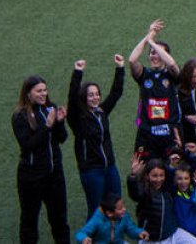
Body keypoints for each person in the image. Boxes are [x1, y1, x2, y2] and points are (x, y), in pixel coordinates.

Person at [13, 74, 70, 244]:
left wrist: (59, 122)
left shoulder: (50, 108)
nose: (44, 94)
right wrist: (47, 126)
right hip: (31, 177)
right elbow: (28, 144)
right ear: (28, 93)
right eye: (39, 91)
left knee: (60, 221)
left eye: (45, 90)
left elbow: (62, 138)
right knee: (29, 222)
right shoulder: (20, 116)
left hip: (54, 175)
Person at [69, 56, 126, 219]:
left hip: (110, 167)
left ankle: (115, 237)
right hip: (92, 170)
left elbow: (116, 93)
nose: (95, 97)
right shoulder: (77, 119)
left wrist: (120, 68)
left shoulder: (101, 112)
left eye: (97, 94)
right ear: (83, 98)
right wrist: (77, 72)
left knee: (116, 206)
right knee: (96, 210)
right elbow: (72, 99)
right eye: (90, 95)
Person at [128, 20, 182, 161]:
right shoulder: (144, 75)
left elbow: (171, 63)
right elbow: (132, 60)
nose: (154, 56)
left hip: (169, 132)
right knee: (142, 172)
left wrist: (153, 43)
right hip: (146, 132)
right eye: (152, 53)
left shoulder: (172, 75)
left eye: (159, 53)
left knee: (171, 172)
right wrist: (148, 37)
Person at [126, 156, 196, 244]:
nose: (158, 179)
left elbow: (174, 177)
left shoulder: (167, 189)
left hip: (172, 234)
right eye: (154, 176)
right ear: (147, 176)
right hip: (151, 239)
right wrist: (133, 176)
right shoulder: (144, 191)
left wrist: (172, 166)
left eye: (161, 175)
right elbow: (135, 194)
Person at [75, 193, 150, 244]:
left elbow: (131, 228)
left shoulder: (124, 216)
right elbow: (81, 233)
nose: (124, 209)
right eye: (120, 208)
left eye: (123, 206)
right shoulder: (97, 220)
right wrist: (84, 238)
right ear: (109, 213)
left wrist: (139, 232)